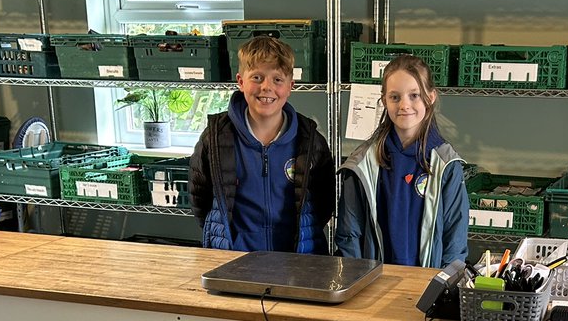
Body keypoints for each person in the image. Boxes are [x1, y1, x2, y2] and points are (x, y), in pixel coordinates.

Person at [190, 36, 334, 253]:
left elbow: (324, 203)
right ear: (240, 82)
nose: (266, 87)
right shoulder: (216, 137)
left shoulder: (311, 140)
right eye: (257, 77)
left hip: (298, 263)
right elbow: (200, 197)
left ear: (290, 86)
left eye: (278, 80)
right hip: (234, 259)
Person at [336, 55, 469, 268]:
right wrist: (356, 281)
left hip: (427, 287)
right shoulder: (362, 163)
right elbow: (349, 233)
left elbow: (455, 239)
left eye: (414, 95)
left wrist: (441, 288)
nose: (404, 105)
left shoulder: (446, 165)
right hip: (373, 284)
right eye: (395, 97)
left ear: (431, 97)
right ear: (384, 101)